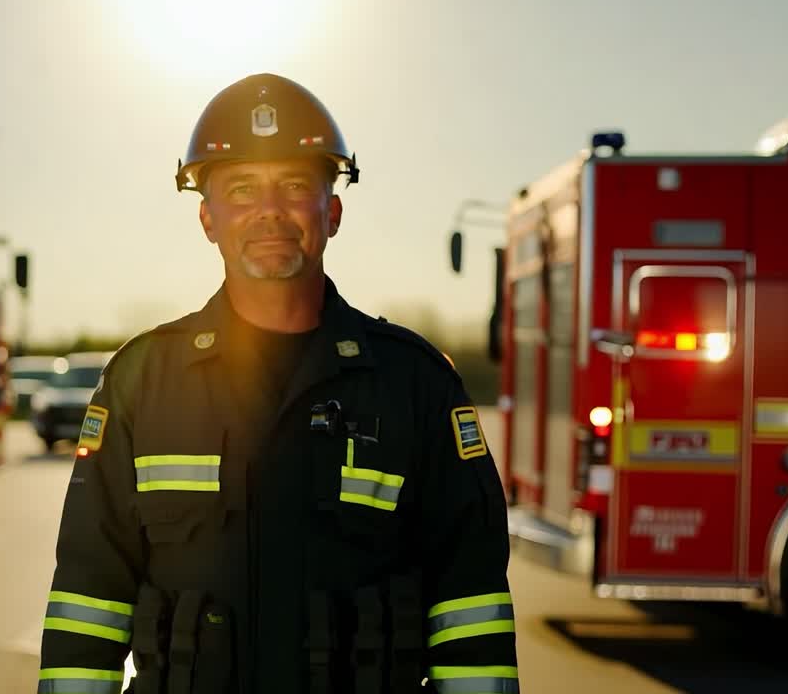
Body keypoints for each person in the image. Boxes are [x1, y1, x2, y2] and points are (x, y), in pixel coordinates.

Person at [38, 73, 519, 694]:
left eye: (295, 185)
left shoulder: (417, 386)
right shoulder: (139, 382)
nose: (269, 210)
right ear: (208, 219)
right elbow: (87, 596)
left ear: (333, 211)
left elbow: (471, 606)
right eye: (241, 188)